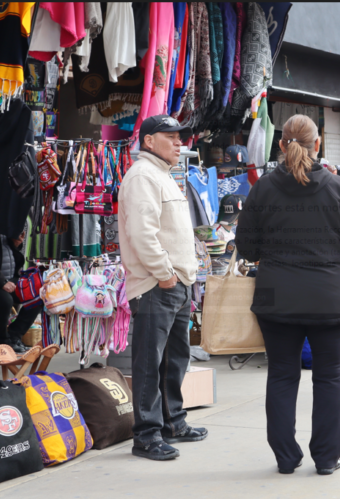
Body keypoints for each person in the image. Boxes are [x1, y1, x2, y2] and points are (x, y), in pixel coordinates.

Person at [235, 114, 340, 475]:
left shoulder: (262, 188)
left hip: (278, 294)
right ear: (319, 144)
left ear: (281, 145)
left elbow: (247, 247)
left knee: (281, 375)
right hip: (331, 296)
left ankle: (285, 457)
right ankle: (327, 459)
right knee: (330, 376)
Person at [118, 115, 207, 461]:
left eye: (180, 137)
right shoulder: (142, 176)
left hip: (176, 283)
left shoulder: (162, 175)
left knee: (175, 359)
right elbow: (142, 234)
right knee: (149, 362)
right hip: (157, 284)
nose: (178, 142)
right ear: (149, 141)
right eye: (170, 137)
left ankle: (173, 422)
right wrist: (164, 273)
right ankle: (146, 435)